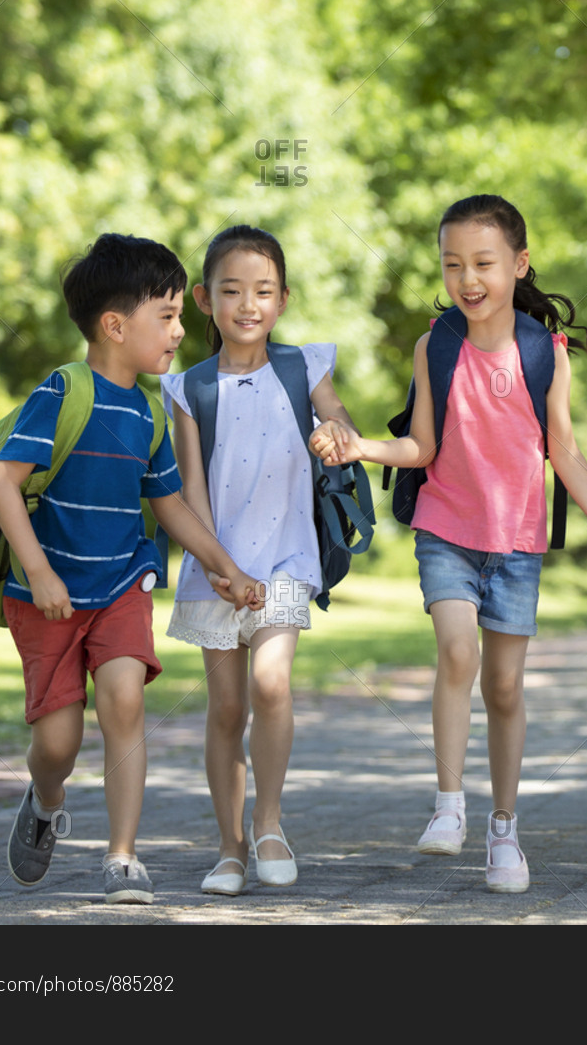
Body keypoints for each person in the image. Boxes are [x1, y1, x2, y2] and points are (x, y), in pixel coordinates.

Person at [310, 194, 587, 892]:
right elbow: (423, 446)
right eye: (453, 264)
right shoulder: (438, 344)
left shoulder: (547, 353)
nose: (467, 277)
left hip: (516, 542)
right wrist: (359, 445)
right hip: (448, 528)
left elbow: (566, 456)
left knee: (505, 687)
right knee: (458, 652)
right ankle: (449, 806)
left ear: (518, 265)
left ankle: (505, 832)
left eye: (483, 262)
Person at [0, 233, 264, 905]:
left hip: (120, 586)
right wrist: (40, 571)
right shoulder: (63, 392)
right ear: (115, 325)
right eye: (166, 316)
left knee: (125, 699)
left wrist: (226, 567)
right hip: (46, 595)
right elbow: (2, 482)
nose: (179, 330)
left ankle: (122, 856)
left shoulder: (147, 411)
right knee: (57, 744)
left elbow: (169, 504)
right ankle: (47, 800)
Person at [160, 225, 360, 896]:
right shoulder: (188, 388)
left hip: (285, 556)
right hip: (216, 563)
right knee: (225, 708)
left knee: (271, 684)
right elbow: (190, 490)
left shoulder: (305, 367)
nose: (249, 303)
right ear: (203, 299)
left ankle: (270, 823)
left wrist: (337, 434)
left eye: (264, 291)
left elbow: (339, 424)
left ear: (283, 299)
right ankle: (230, 846)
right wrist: (218, 566)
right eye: (233, 290)